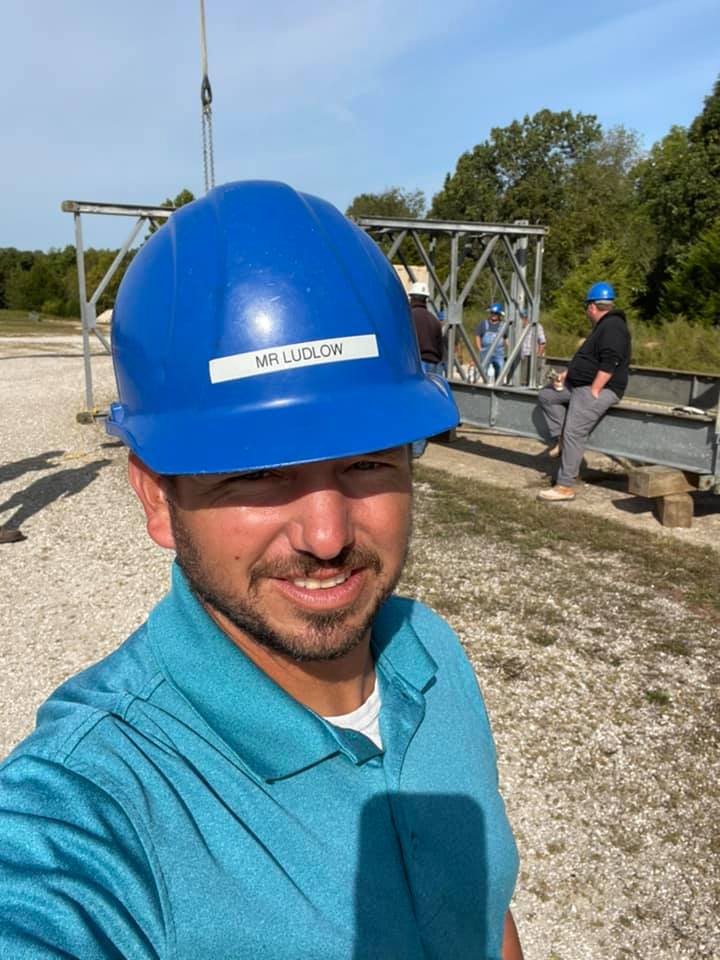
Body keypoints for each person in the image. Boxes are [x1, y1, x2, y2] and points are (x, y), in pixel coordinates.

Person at [0, 181, 523, 959]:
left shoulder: (432, 653)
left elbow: (482, 913)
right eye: (255, 472)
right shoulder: (95, 800)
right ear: (155, 496)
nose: (326, 533)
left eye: (369, 459)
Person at [536, 281, 631, 502]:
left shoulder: (613, 326)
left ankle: (565, 486)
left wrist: (595, 389)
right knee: (547, 396)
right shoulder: (603, 327)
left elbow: (611, 361)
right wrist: (568, 374)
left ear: (591, 307)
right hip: (581, 384)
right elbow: (590, 359)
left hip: (599, 387)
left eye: (586, 307)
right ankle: (560, 439)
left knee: (574, 432)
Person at [408, 280, 444, 376]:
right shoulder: (434, 320)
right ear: (426, 299)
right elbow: (440, 347)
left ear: (412, 298)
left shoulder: (408, 317)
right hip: (434, 364)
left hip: (416, 364)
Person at [475, 302, 507, 382]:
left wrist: (510, 349)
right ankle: (485, 388)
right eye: (492, 313)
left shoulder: (503, 325)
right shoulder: (483, 323)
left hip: (499, 353)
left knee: (500, 372)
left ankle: (498, 388)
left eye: (496, 313)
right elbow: (477, 336)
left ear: (499, 314)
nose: (494, 315)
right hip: (485, 352)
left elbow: (506, 339)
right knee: (484, 372)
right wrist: (480, 349)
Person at [519, 308, 546, 386]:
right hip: (523, 358)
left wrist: (538, 357)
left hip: (534, 357)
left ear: (526, 318)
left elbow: (542, 343)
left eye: (521, 319)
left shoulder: (537, 326)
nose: (520, 321)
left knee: (534, 381)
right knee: (523, 381)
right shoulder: (519, 328)